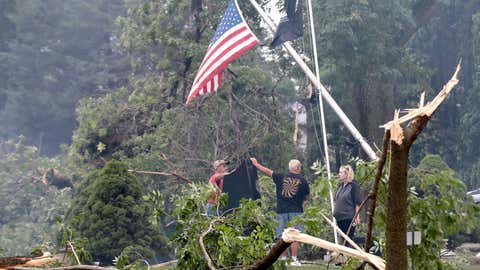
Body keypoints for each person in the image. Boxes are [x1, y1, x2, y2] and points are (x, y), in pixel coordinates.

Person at [250, 157, 310, 266]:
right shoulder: (303, 180)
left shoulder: (281, 176)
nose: (300, 168)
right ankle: (294, 259)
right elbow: (307, 196)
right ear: (297, 168)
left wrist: (256, 164)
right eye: (300, 166)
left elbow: (268, 172)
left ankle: (283, 259)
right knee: (295, 236)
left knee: (282, 236)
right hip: (296, 211)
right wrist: (300, 199)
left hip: (281, 210)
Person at [333, 165, 362, 245]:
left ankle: (350, 255)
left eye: (341, 172)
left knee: (348, 238)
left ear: (346, 174)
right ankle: (344, 255)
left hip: (348, 217)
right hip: (340, 218)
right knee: (343, 239)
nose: (339, 174)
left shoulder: (353, 186)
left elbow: (357, 202)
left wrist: (357, 215)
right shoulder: (340, 186)